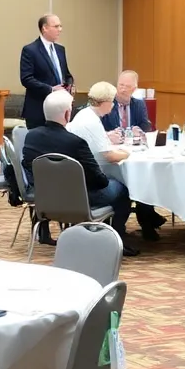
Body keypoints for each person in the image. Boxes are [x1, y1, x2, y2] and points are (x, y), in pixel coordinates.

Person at [22, 90, 138, 256]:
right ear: (68, 113)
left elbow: (28, 167)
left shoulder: (31, 137)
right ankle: (117, 239)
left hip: (45, 198)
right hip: (79, 199)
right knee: (122, 189)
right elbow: (98, 180)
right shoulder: (75, 142)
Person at [69, 82, 162, 240]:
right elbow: (109, 156)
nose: (113, 105)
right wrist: (127, 153)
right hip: (90, 185)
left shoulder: (83, 115)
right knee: (124, 190)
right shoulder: (91, 121)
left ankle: (117, 231)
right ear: (105, 102)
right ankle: (117, 236)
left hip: (80, 179)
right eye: (112, 102)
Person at [20, 14, 74, 129]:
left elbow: (66, 74)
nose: (60, 29)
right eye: (56, 26)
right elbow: (26, 79)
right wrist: (51, 89)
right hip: (39, 110)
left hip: (59, 111)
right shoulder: (30, 50)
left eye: (60, 26)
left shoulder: (60, 50)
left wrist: (70, 85)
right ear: (45, 28)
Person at [102, 70, 150, 135]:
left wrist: (139, 131)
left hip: (132, 142)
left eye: (128, 86)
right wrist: (109, 134)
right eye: (121, 85)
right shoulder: (106, 103)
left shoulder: (139, 104)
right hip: (112, 142)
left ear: (134, 89)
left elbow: (146, 127)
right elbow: (97, 130)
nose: (123, 89)